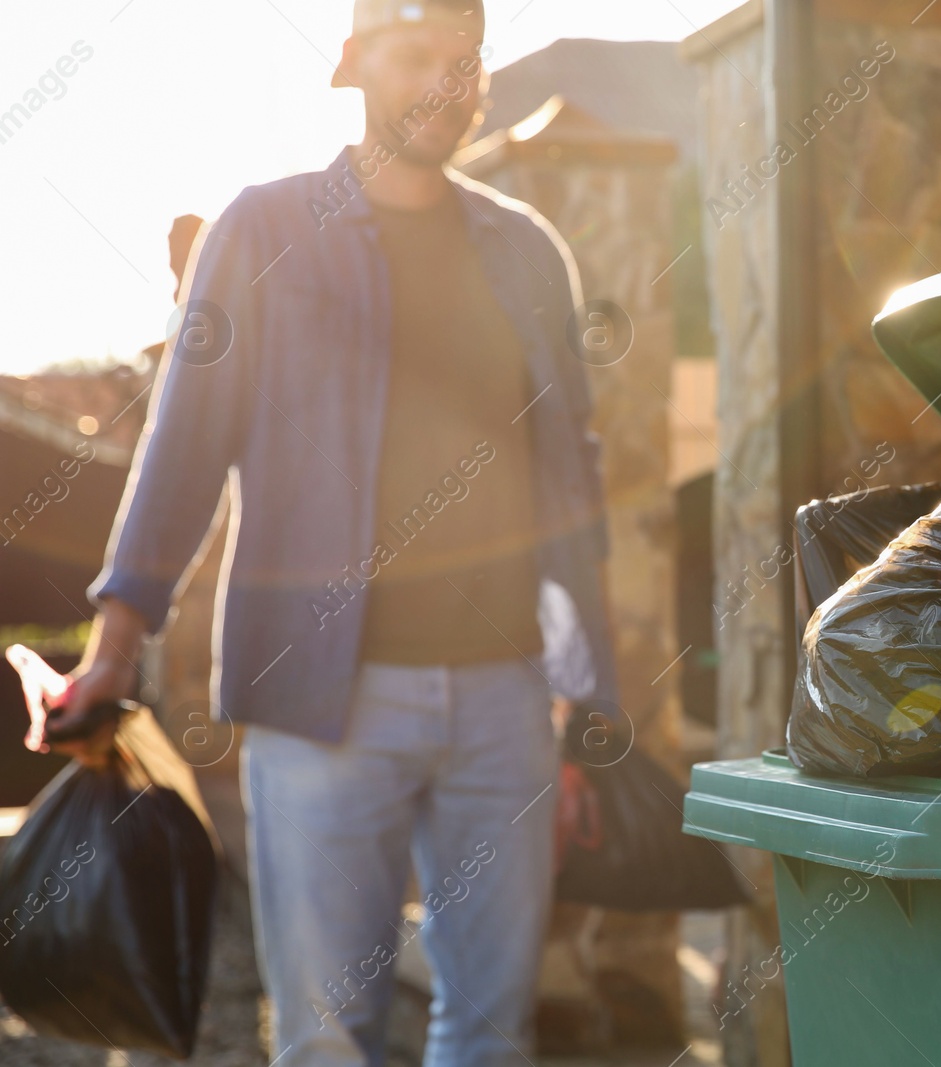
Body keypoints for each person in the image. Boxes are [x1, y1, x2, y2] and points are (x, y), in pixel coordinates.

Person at [52, 2, 618, 1063]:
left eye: (466, 61)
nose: (446, 83)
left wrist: (587, 702)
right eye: (418, 57)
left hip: (504, 701)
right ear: (355, 64)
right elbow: (185, 447)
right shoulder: (263, 231)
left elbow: (568, 483)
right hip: (321, 702)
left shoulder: (528, 252)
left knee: (495, 1029)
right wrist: (115, 645)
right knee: (325, 1035)